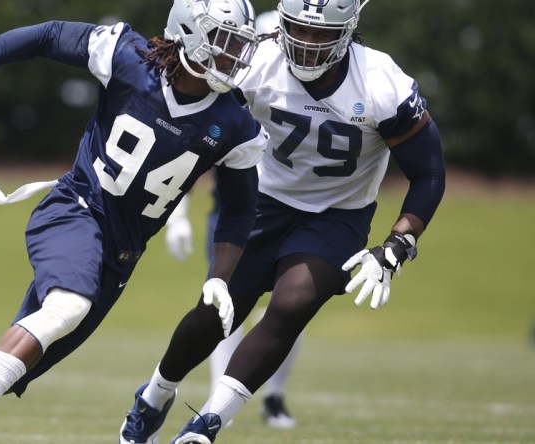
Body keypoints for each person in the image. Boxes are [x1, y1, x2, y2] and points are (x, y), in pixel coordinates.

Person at [0, 0, 269, 443]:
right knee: (68, 307)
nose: (233, 56)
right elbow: (48, 35)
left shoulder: (234, 124)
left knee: (17, 367)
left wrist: (219, 278)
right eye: (224, 42)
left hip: (121, 254)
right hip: (76, 209)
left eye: (239, 46)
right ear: (188, 33)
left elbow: (237, 209)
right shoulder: (126, 57)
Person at [121, 0, 447, 442]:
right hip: (258, 202)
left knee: (294, 303)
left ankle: (206, 425)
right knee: (216, 314)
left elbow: (428, 171)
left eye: (322, 35)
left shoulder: (380, 81)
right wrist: (177, 205)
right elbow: (203, 131)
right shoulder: (255, 60)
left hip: (338, 214)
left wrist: (398, 243)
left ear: (348, 30)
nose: (309, 45)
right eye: (300, 30)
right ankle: (154, 398)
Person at [165, 186, 301, 430]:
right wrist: (178, 216)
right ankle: (218, 400)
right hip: (233, 216)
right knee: (224, 305)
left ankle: (274, 397)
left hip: (296, 212)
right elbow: (199, 156)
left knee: (291, 304)